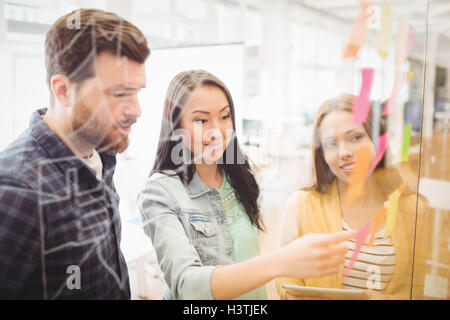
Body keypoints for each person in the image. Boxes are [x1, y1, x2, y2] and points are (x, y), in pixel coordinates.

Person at [137, 70, 354, 300]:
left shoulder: (239, 176)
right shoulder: (160, 192)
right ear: (175, 125)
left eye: (224, 116)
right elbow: (187, 286)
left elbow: (246, 255)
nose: (218, 131)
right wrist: (282, 261)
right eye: (201, 120)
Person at [0, 9, 150, 299]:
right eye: (119, 93)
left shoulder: (102, 153)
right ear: (63, 90)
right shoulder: (16, 189)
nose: (136, 110)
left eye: (137, 91)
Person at [276, 94, 427, 300]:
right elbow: (285, 276)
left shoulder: (412, 208)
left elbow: (418, 289)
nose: (344, 152)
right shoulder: (301, 204)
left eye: (355, 137)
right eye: (331, 144)